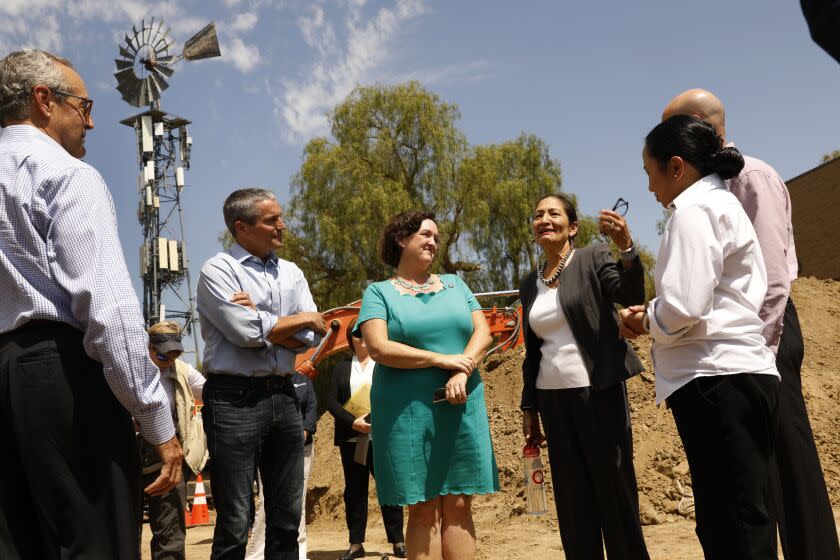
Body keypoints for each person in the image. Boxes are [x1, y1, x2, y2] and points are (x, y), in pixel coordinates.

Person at [0, 49, 182, 559]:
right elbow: (108, 311)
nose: (92, 121)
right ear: (43, 100)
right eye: (83, 106)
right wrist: (157, 421)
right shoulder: (67, 175)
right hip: (63, 379)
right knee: (94, 541)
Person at [662, 89, 840, 560]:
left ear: (698, 125)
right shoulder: (704, 192)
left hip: (766, 336)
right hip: (740, 346)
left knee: (790, 465)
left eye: (669, 129)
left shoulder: (753, 177)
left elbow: (773, 280)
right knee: (754, 478)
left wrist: (755, 355)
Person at [620, 115, 781, 559]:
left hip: (715, 377)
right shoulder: (723, 205)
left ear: (676, 167)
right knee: (743, 514)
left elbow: (685, 307)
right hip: (738, 373)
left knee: (731, 524)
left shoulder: (694, 211)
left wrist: (644, 319)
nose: (650, 188)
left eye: (650, 173)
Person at [355, 210, 498, 560]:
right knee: (422, 508)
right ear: (402, 239)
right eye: (425, 234)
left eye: (437, 236)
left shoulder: (455, 284)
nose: (434, 241)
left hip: (462, 403)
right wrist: (440, 360)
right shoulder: (379, 293)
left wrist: (462, 370)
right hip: (407, 412)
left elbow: (484, 332)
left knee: (460, 503)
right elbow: (379, 347)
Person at [196, 188, 327, 559]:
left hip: (285, 397)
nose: (282, 225)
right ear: (242, 227)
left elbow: (309, 336)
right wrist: (289, 321)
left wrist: (263, 321)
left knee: (286, 520)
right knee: (236, 522)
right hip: (233, 400)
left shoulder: (292, 272)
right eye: (272, 219)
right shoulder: (218, 270)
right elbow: (244, 332)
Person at [519, 193, 650, 560]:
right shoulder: (530, 283)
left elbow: (629, 293)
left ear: (572, 226)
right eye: (538, 214)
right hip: (553, 401)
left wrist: (625, 247)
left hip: (598, 394)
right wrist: (529, 407)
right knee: (574, 504)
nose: (544, 219)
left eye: (554, 213)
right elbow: (532, 352)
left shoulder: (591, 257)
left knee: (615, 494)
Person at [327, 319, 406, 560]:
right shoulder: (341, 368)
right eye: (356, 334)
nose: (361, 338)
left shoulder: (384, 365)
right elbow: (330, 402)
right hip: (352, 440)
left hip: (382, 438)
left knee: (389, 490)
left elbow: (396, 396)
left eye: (365, 333)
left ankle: (398, 541)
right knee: (354, 492)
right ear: (350, 338)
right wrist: (352, 422)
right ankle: (355, 544)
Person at [139, 321, 208, 560]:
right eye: (162, 354)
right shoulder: (129, 370)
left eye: (174, 354)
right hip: (126, 459)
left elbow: (211, 393)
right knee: (122, 534)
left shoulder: (182, 371)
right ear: (147, 347)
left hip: (168, 460)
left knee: (170, 536)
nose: (168, 360)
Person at [246, 371, 317, 560]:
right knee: (266, 501)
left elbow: (311, 411)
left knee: (297, 504)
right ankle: (257, 553)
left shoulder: (304, 382)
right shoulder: (264, 381)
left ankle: (300, 551)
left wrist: (301, 435)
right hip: (271, 450)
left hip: (302, 451)